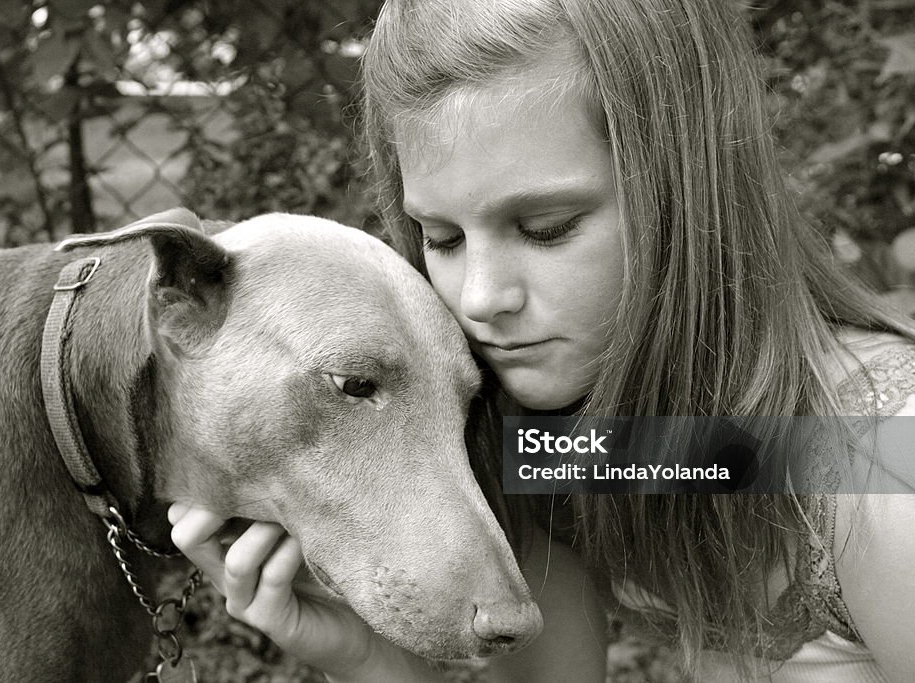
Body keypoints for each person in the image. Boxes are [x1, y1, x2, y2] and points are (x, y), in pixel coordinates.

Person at [169, 0, 915, 680]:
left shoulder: (884, 463)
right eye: (442, 237)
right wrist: (373, 661)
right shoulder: (572, 446)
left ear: (692, 193)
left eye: (546, 228)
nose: (483, 299)